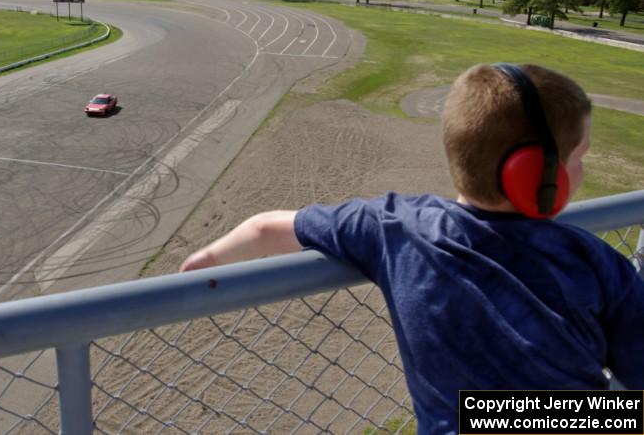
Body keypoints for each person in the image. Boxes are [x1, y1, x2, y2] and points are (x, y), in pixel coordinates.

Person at [180, 63, 644, 434]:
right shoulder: (597, 261)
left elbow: (266, 227)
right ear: (534, 174)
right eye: (578, 158)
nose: (580, 169)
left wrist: (203, 266)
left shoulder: (397, 227)